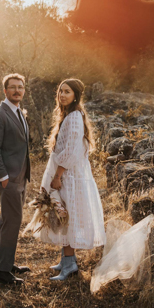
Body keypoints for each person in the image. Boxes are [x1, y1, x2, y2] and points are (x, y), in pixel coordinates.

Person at [27, 78, 106, 281]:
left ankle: (70, 264)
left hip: (69, 176)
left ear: (75, 96)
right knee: (62, 215)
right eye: (60, 91)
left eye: (67, 92)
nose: (62, 95)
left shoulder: (73, 118)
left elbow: (71, 151)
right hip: (67, 173)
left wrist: (58, 176)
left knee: (67, 216)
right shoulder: (69, 115)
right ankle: (65, 259)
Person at [0, 73, 31, 285]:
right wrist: (3, 177)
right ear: (5, 91)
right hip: (9, 178)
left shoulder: (19, 112)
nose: (17, 90)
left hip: (21, 176)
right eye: (12, 87)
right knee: (12, 222)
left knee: (8, 222)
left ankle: (6, 263)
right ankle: (3, 274)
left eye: (20, 87)